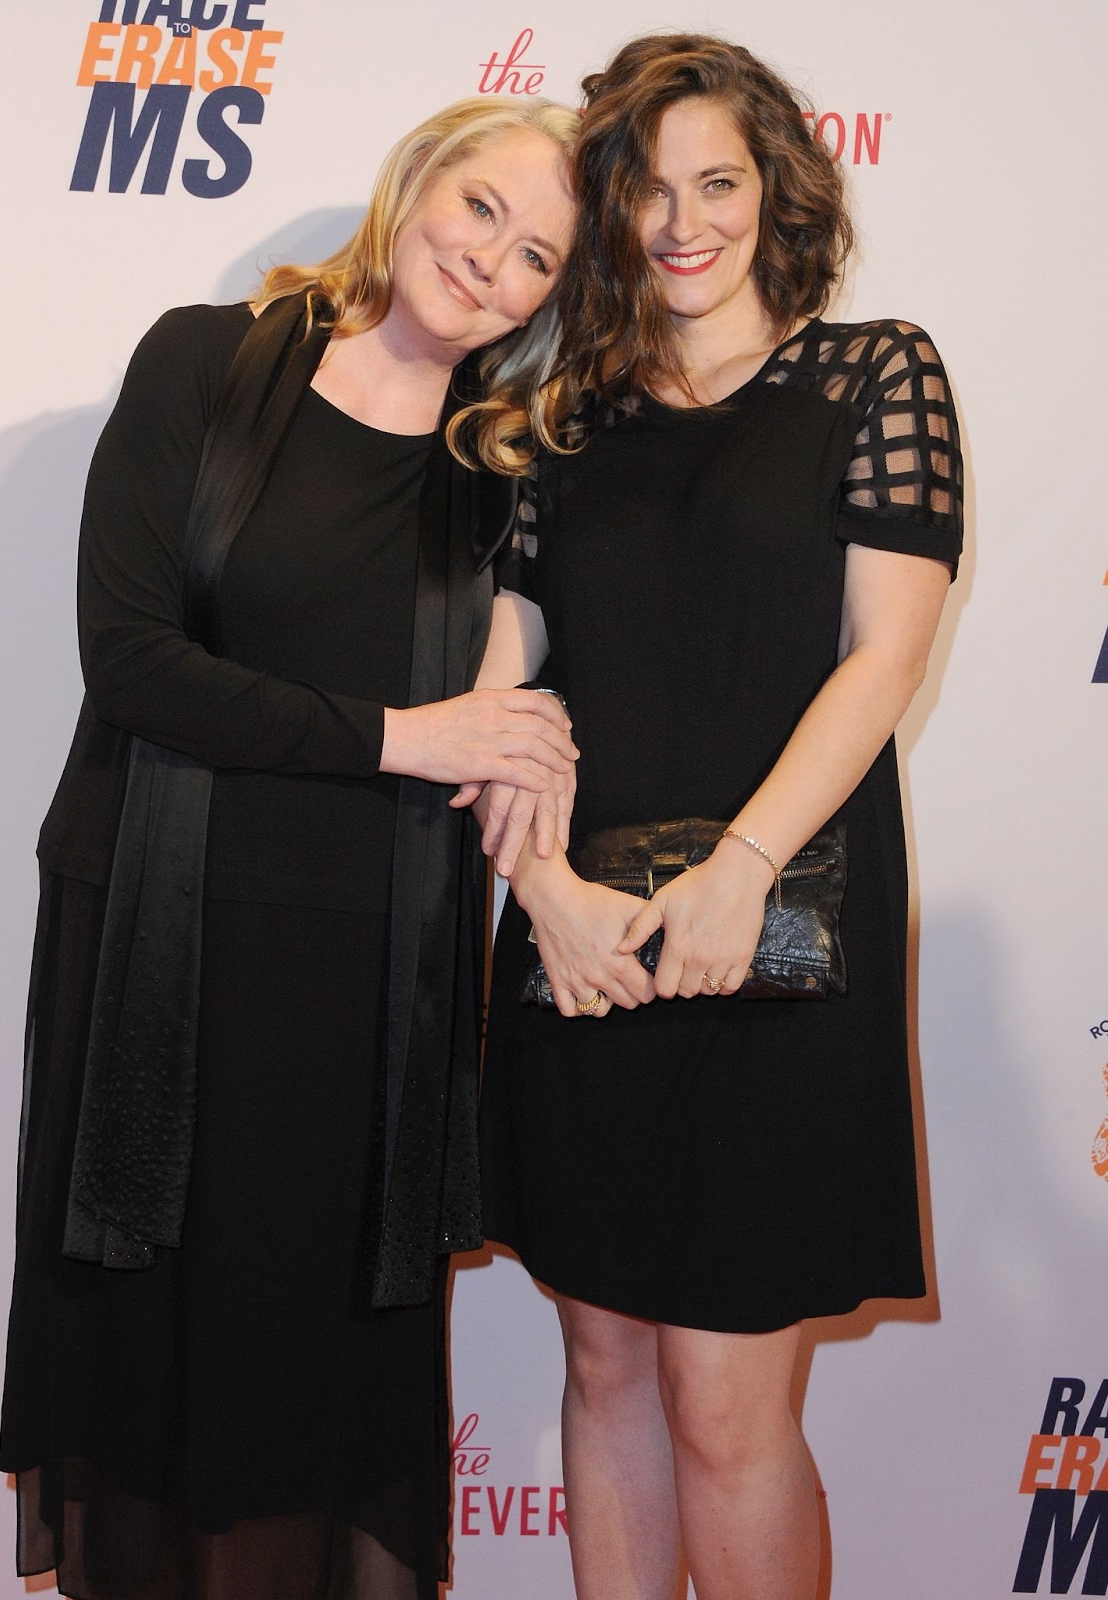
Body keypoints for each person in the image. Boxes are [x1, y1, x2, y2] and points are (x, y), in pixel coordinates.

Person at [0, 96, 579, 1600]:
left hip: (359, 985)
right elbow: (130, 662)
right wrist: (409, 733)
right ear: (414, 186)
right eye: (479, 213)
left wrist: (519, 702)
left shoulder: (498, 469)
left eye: (535, 261)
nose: (491, 267)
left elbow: (535, 685)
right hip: (154, 948)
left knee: (298, 1389)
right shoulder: (205, 361)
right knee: (146, 1371)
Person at [478, 34, 963, 1600]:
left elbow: (882, 655)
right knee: (606, 1362)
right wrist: (541, 885)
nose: (685, 223)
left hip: (782, 938)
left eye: (720, 183)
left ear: (775, 194)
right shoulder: (556, 425)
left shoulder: (874, 373)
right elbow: (505, 694)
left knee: (722, 1395)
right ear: (608, 211)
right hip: (583, 948)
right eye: (649, 191)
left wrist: (737, 871)